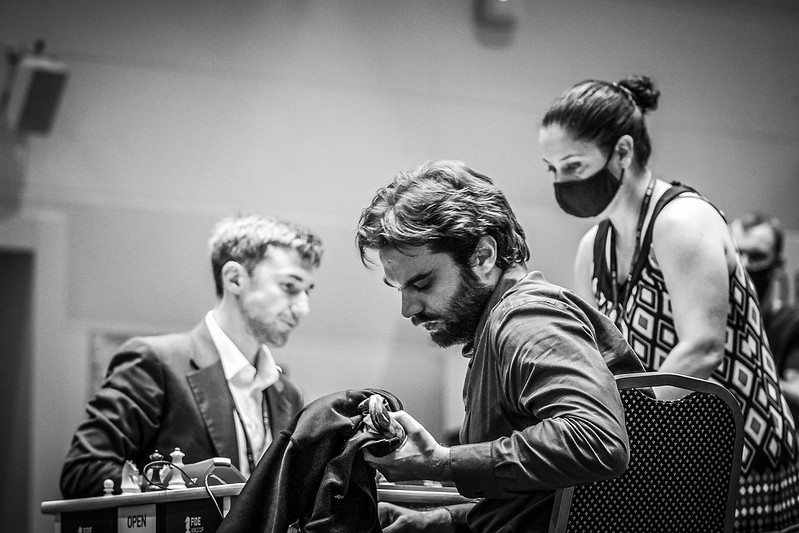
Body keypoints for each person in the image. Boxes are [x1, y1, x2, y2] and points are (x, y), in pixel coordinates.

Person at [538, 74, 799, 531]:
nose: (562, 180)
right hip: (669, 457)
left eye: (574, 165)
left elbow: (701, 350)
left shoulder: (681, 220)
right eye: (552, 169)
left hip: (742, 459)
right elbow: (593, 361)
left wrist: (620, 432)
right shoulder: (592, 247)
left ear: (622, 151)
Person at [356, 160, 646, 532]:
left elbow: (596, 441)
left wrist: (441, 462)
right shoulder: (500, 327)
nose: (408, 309)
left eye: (423, 283)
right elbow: (542, 503)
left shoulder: (527, 320)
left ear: (483, 256)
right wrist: (439, 523)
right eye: (400, 290)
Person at [60, 214, 323, 498]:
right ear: (235, 279)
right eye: (289, 287)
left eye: (307, 291)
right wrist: (180, 490)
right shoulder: (155, 362)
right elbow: (83, 472)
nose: (303, 308)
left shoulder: (288, 394)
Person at [731, 211, 799, 419]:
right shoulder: (711, 319)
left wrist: (742, 375)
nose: (744, 264)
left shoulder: (791, 323)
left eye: (757, 256)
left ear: (778, 264)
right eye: (736, 253)